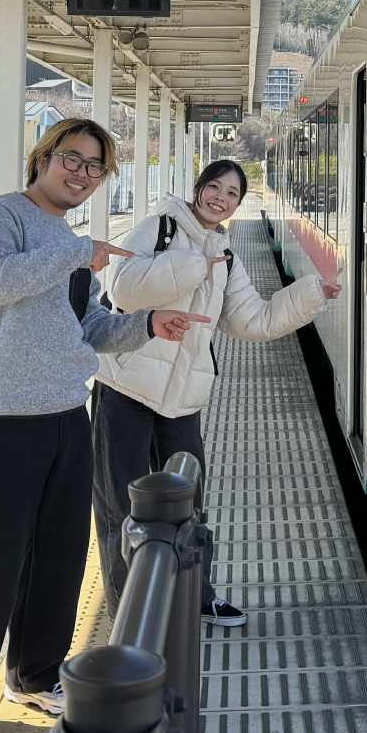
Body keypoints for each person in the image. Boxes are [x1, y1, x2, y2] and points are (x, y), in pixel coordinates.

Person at [0, 118, 210, 733]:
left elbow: (89, 328)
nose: (80, 174)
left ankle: (35, 673)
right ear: (43, 158)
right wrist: (79, 251)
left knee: (57, 557)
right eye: (72, 160)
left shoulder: (70, 242)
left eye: (93, 167)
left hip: (64, 415)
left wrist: (147, 324)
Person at [90, 159, 338, 628]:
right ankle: (129, 614)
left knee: (189, 503)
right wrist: (192, 265)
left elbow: (253, 320)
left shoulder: (227, 254)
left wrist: (311, 295)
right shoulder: (158, 227)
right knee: (119, 506)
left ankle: (194, 596)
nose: (220, 198)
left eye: (231, 194)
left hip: (182, 398)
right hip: (123, 387)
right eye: (215, 187)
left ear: (237, 205)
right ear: (198, 188)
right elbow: (123, 291)